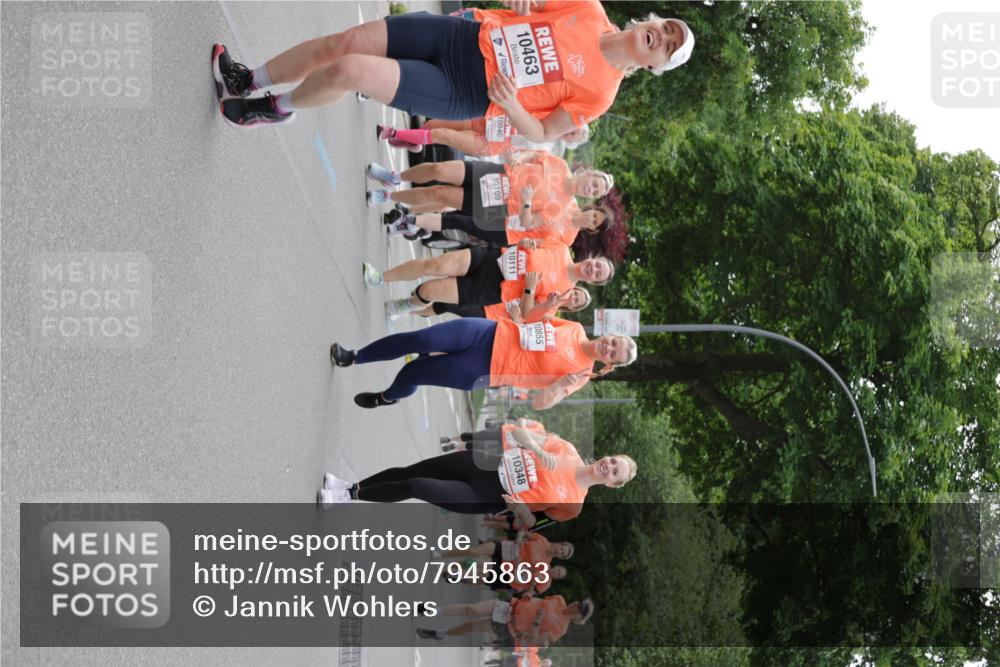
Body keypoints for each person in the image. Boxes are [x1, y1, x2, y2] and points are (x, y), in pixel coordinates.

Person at [212, 3, 695, 133]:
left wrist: (511, 107)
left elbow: (545, 132)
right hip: (462, 36)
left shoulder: (602, 92)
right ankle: (248, 79)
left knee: (352, 70)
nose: (662, 37)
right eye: (667, 27)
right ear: (652, 20)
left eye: (667, 48)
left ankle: (276, 107)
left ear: (654, 66)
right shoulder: (588, 9)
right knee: (346, 41)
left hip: (466, 88)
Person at [318, 421, 637, 525]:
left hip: (484, 496)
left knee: (416, 485)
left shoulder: (574, 505)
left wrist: (521, 508)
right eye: (612, 460)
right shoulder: (566, 450)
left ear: (612, 485)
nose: (607, 466)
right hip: (485, 464)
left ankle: (347, 495)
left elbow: (530, 523)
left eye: (613, 472)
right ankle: (351, 486)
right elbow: (522, 433)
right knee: (409, 470)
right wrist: (539, 452)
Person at [328, 314, 635, 409]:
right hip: (489, 333)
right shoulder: (575, 328)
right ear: (609, 335)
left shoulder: (579, 376)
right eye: (613, 342)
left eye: (613, 354)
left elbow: (539, 404)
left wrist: (558, 387)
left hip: (486, 370)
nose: (608, 347)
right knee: (420, 339)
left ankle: (388, 396)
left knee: (413, 371)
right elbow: (534, 317)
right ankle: (355, 356)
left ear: (609, 365)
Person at [362, 238, 613, 318]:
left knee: (429, 290)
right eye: (597, 265)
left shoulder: (565, 293)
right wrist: (526, 242)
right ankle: (380, 278)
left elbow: (528, 314)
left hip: (491, 289)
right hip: (493, 260)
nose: (593, 269)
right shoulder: (560, 247)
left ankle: (406, 305)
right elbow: (528, 241)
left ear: (593, 281)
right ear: (593, 258)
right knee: (435, 264)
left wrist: (530, 289)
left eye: (597, 274)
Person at [364, 153, 612, 230]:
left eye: (593, 191)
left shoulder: (561, 208)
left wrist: (526, 203)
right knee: (439, 169)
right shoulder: (560, 165)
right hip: (495, 173)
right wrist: (516, 158)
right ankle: (394, 178)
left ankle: (388, 197)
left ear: (590, 197)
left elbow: (529, 222)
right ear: (589, 174)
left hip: (496, 202)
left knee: (438, 194)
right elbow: (531, 154)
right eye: (594, 182)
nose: (590, 188)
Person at [389, 198, 613, 249]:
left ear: (592, 228)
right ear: (592, 208)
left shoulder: (567, 240)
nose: (591, 217)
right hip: (509, 208)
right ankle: (412, 220)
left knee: (457, 221)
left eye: (595, 221)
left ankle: (410, 221)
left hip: (507, 233)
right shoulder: (567, 202)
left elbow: (538, 248)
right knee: (456, 206)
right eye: (595, 213)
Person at [416, 595, 594, 648]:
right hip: (510, 606)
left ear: (579, 618)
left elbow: (535, 641)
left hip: (509, 626)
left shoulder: (560, 629)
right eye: (579, 603)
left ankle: (439, 634)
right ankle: (430, 609)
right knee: (472, 609)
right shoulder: (560, 599)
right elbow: (540, 601)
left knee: (469, 626)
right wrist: (529, 596)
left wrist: (537, 623)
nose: (576, 605)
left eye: (580, 609)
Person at [435, 531, 572, 595]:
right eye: (562, 549)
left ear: (561, 558)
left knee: (475, 565)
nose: (560, 551)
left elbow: (526, 575)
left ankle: (453, 572)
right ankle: (442, 555)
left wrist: (519, 567)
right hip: (507, 549)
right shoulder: (543, 540)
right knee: (474, 551)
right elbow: (524, 532)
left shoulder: (545, 564)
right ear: (560, 544)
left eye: (562, 553)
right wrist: (519, 538)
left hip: (507, 566)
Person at [376, 118, 589, 157]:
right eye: (572, 128)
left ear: (570, 142)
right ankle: (413, 143)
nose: (569, 132)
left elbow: (521, 160)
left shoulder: (547, 149)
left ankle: (392, 132)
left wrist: (512, 158)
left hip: (492, 144)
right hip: (490, 121)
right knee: (432, 126)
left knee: (444, 135)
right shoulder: (548, 118)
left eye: (572, 135)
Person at [413, 285, 590, 323]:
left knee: (451, 305)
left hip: (494, 317)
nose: (572, 297)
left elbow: (526, 325)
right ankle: (419, 310)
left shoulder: (550, 316)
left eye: (576, 301)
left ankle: (416, 311)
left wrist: (516, 318)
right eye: (575, 293)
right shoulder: (549, 289)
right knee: (450, 301)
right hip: (493, 297)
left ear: (572, 308)